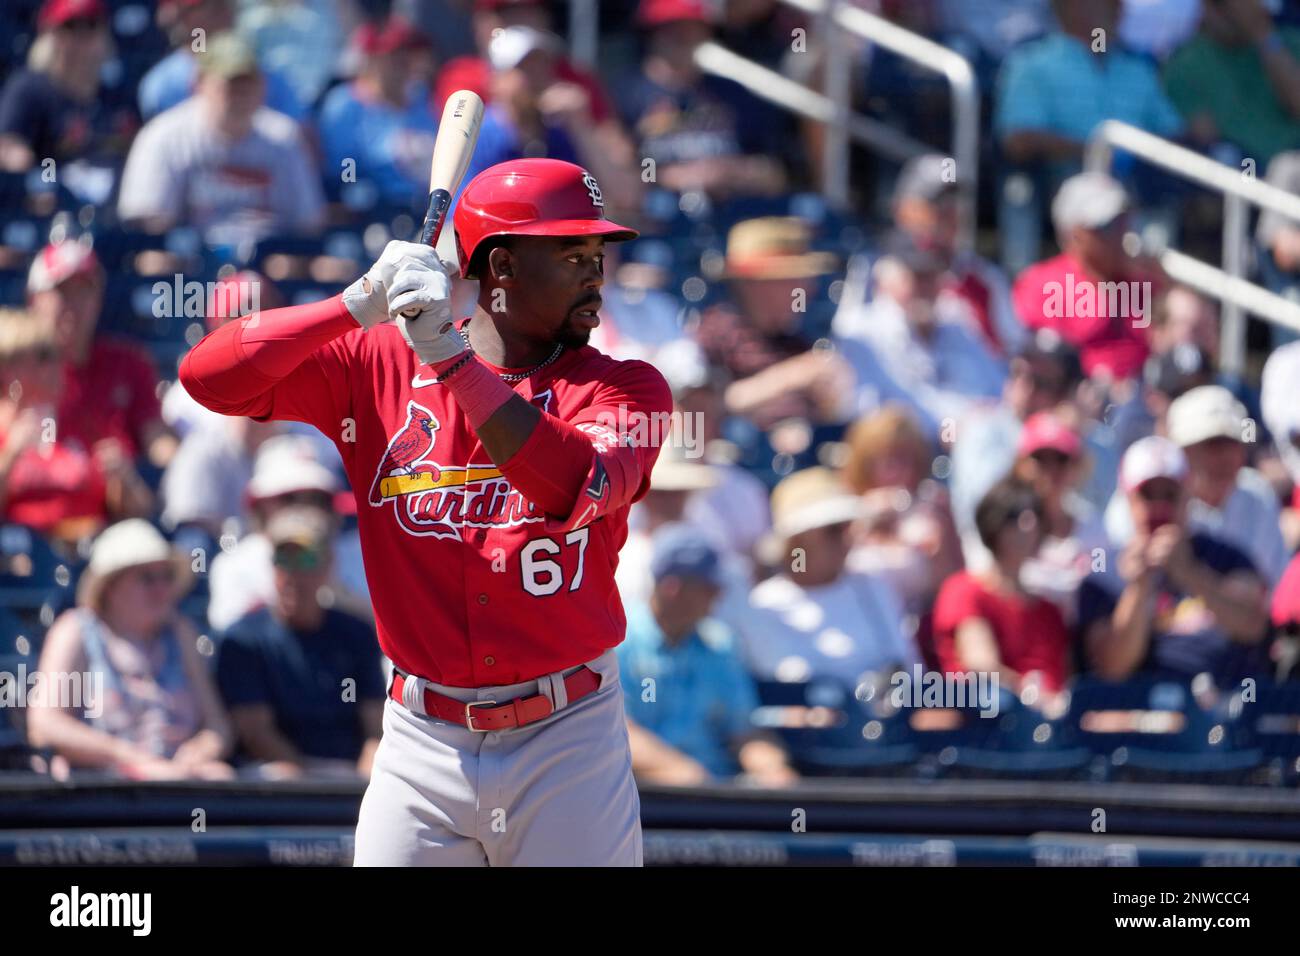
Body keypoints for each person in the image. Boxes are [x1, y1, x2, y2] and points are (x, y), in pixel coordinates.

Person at [180, 158, 672, 866]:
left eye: (597, 256)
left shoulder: (627, 388)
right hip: (421, 736)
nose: (596, 275)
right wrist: (354, 304)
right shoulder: (375, 361)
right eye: (573, 255)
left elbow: (573, 481)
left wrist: (449, 358)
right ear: (500, 266)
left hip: (568, 733)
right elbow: (208, 378)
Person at [26, 520, 235, 780]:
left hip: (180, 783)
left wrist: (197, 753)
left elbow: (217, 726)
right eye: (147, 578)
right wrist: (130, 758)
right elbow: (45, 725)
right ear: (110, 587)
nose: (161, 589)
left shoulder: (182, 632)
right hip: (105, 790)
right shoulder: (76, 630)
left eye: (166, 577)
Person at [1081, 435, 1272, 685]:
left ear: (1186, 495)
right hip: (1143, 712)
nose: (1160, 507)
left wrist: (1190, 573)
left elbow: (1253, 626)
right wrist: (1139, 587)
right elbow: (1112, 667)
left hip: (1226, 705)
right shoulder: (1104, 570)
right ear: (1128, 498)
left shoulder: (1227, 557)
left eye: (1169, 494)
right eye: (1148, 495)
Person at [618, 525, 795, 787]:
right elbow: (612, 733)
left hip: (712, 801)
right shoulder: (616, 642)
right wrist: (681, 773)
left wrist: (773, 769)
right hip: (641, 802)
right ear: (672, 588)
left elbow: (743, 730)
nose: (719, 595)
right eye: (709, 588)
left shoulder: (721, 643)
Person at [216, 507, 385, 778]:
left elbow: (374, 728)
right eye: (283, 558)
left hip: (347, 772)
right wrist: (312, 786)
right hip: (276, 778)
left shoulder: (357, 633)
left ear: (328, 565)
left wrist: (367, 779)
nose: (292, 574)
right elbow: (257, 734)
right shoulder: (243, 639)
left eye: (306, 559)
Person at [118, 32, 325, 246]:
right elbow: (147, 230)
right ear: (199, 83)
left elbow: (307, 225)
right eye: (231, 83)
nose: (240, 94)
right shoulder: (163, 137)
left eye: (248, 82)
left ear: (263, 86)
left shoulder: (284, 138)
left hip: (267, 267)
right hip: (190, 271)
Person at [732, 467, 919, 687]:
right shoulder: (763, 604)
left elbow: (907, 666)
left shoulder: (872, 585)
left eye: (848, 526)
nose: (847, 537)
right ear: (798, 542)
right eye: (833, 529)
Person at [1104, 384, 1288, 587]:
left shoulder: (1257, 496)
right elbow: (1109, 579)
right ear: (1179, 449)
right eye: (1212, 444)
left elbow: (1270, 587)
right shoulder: (1137, 499)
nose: (1226, 457)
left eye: (1233, 443)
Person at [0, 309, 152, 548]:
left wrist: (125, 479)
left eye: (58, 356)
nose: (57, 366)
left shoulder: (87, 422)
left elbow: (137, 515)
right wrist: (11, 455)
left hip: (86, 551)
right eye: (43, 356)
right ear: (7, 367)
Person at [833, 232, 1006, 441]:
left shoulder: (957, 321)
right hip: (900, 454)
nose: (926, 287)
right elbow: (869, 412)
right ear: (887, 281)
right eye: (917, 277)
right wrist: (951, 425)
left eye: (934, 276)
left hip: (972, 446)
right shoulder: (861, 332)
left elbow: (999, 389)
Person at [614, 0, 789, 201]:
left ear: (707, 32)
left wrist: (730, 171)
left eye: (693, 27)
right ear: (651, 32)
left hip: (732, 210)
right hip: (657, 214)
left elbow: (774, 174)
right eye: (672, 27)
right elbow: (619, 172)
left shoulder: (734, 93)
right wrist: (675, 177)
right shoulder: (625, 94)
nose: (683, 36)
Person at [693, 217, 854, 431]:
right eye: (792, 280)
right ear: (756, 283)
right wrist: (793, 376)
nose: (807, 290)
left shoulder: (794, 342)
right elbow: (706, 406)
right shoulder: (715, 332)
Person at [462, 25, 642, 217]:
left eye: (543, 66)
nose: (539, 76)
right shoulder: (477, 134)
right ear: (496, 80)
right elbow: (465, 211)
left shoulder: (560, 132)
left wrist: (581, 124)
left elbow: (627, 196)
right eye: (526, 69)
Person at [26, 240, 176, 469]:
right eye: (63, 291)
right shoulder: (16, 371)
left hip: (113, 497)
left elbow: (157, 439)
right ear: (34, 300)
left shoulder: (128, 364)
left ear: (98, 300)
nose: (74, 304)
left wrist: (180, 461)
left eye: (84, 291)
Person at [1011, 172, 1165, 383]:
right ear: (1075, 234)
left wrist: (1163, 284)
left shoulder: (1143, 282)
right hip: (1076, 399)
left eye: (1123, 221)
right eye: (1106, 226)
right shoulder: (1041, 284)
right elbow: (1044, 362)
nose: (1121, 232)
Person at [995, 0, 1183, 172]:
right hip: (1067, 192)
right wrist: (1096, 155)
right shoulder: (1031, 65)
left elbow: (1172, 133)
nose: (1118, 9)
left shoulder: (1137, 69)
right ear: (1072, 6)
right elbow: (1019, 141)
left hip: (1144, 192)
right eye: (1107, 2)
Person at [933, 477, 1073, 706]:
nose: (1028, 525)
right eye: (1014, 516)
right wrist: (1042, 702)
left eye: (1035, 516)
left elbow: (1064, 679)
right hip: (990, 727)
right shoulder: (964, 591)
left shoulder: (1050, 612)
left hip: (1052, 730)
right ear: (993, 523)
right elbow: (981, 667)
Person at [205, 438, 369, 630]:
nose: (305, 508)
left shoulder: (357, 556)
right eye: (290, 498)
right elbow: (236, 641)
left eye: (316, 499)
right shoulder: (234, 566)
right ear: (260, 506)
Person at [890, 152, 1026, 357]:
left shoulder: (983, 278)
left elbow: (1014, 350)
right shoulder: (876, 269)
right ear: (904, 209)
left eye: (956, 203)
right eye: (938, 203)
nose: (950, 213)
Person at [0, 0, 134, 197]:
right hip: (54, 209)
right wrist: (37, 179)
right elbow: (9, 146)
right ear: (49, 35)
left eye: (91, 25)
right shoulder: (30, 90)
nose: (80, 39)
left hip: (114, 209)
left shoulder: (119, 97)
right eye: (70, 27)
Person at [840, 404, 963, 618]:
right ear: (866, 463)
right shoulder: (840, 512)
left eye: (907, 458)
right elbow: (815, 568)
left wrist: (936, 546)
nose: (901, 469)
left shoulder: (935, 506)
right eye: (890, 459)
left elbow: (953, 583)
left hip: (922, 625)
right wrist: (866, 523)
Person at [318, 17, 441, 207]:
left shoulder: (421, 98)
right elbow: (344, 169)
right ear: (372, 58)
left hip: (424, 207)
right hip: (373, 210)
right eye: (394, 56)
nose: (403, 64)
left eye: (409, 55)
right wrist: (353, 193)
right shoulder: (345, 104)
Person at [1164, 0, 1300, 167]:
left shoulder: (1290, 43)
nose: (1233, 12)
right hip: (1240, 171)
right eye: (1221, 4)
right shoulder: (1183, 64)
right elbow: (1206, 139)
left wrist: (1263, 35)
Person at [1008, 411, 1108, 620]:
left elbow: (1104, 584)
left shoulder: (1094, 529)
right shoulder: (1004, 526)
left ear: (1077, 466)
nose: (1051, 469)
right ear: (1021, 464)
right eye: (1040, 459)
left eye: (1061, 459)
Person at [139, 0, 306, 122]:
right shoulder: (162, 85)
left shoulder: (270, 78)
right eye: (207, 7)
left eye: (223, 4)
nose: (223, 13)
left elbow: (300, 144)